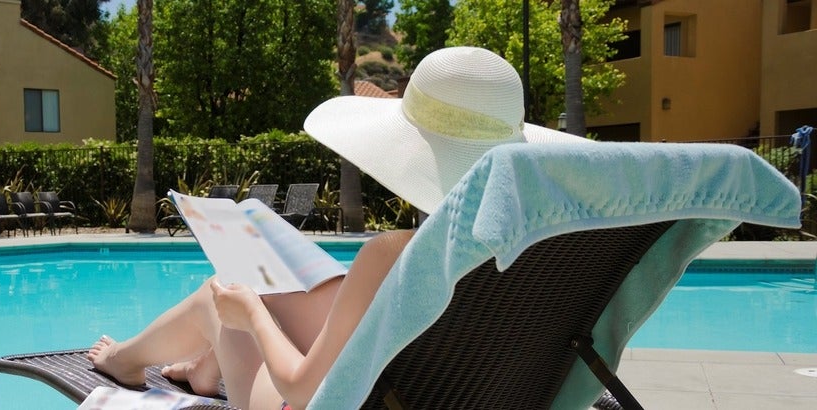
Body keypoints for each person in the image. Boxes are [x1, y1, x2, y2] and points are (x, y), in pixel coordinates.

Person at [87, 46, 584, 410]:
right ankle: (205, 367)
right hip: (448, 392)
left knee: (224, 293)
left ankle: (126, 360)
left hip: (333, 402)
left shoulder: (394, 254)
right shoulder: (555, 252)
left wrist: (252, 316)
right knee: (289, 290)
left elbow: (303, 391)